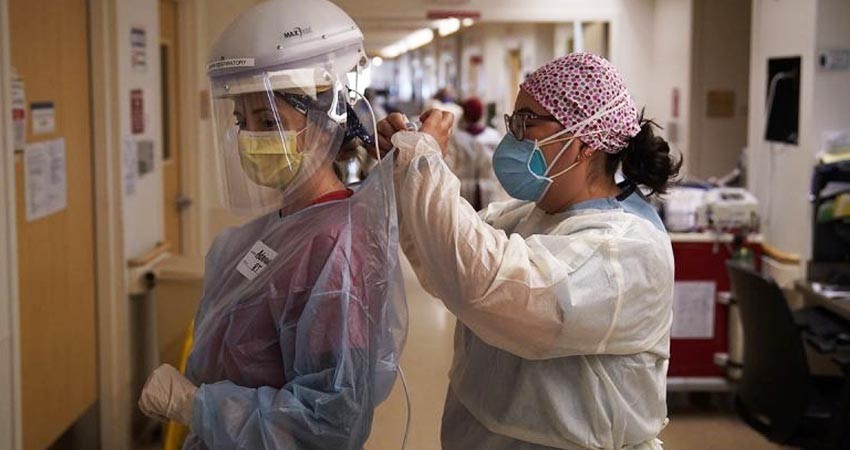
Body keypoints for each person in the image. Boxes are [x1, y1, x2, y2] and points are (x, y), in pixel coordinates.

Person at [375, 53, 681, 449]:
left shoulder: (626, 250)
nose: (512, 138)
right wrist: (402, 169)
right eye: (512, 122)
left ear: (584, 143)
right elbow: (443, 264)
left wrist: (424, 164)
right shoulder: (526, 215)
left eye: (527, 123)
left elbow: (486, 286)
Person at [138, 1, 407, 449]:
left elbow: (328, 422)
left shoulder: (338, 244)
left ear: (325, 121)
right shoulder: (274, 230)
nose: (251, 138)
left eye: (270, 121)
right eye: (244, 122)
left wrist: (195, 405)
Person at [448, 97, 509, 209]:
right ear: (482, 114)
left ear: (465, 114)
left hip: (464, 189)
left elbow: (450, 166)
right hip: (488, 188)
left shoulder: (456, 138)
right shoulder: (493, 136)